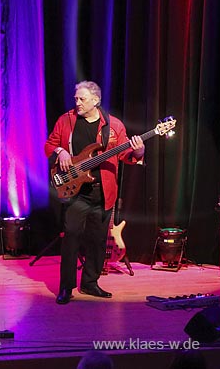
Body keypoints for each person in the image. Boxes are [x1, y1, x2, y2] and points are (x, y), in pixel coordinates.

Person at [45, 81, 144, 304]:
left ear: (95, 101)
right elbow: (49, 145)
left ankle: (90, 283)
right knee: (71, 237)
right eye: (76, 98)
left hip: (103, 191)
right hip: (75, 191)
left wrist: (139, 149)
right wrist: (60, 151)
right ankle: (66, 287)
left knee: (98, 240)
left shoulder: (114, 126)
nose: (77, 102)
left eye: (81, 99)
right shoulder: (66, 120)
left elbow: (127, 156)